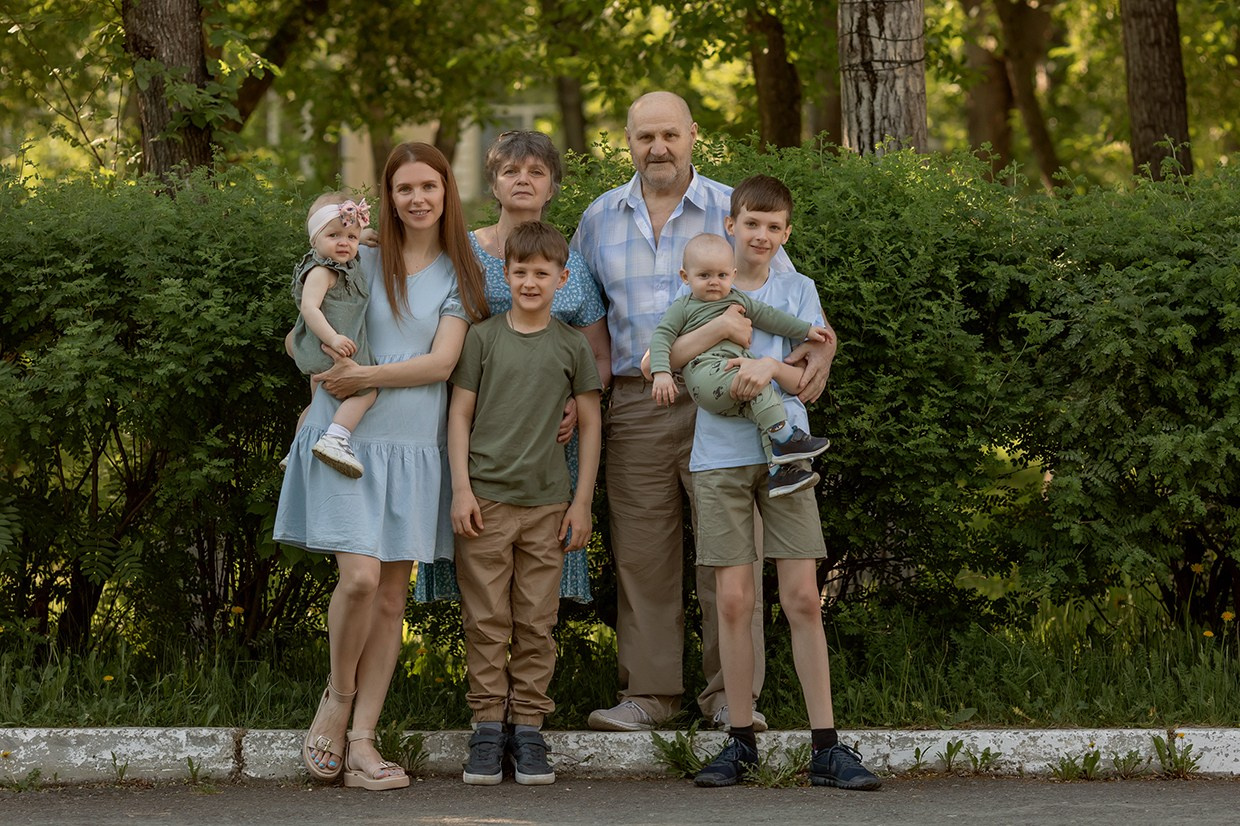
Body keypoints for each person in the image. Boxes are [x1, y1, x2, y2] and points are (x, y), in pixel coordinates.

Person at [570, 91, 835, 732]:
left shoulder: (733, 209)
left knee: (731, 561)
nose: (657, 148)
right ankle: (650, 696)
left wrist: (822, 350)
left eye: (669, 135)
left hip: (732, 405)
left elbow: (788, 298)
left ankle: (730, 702)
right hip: (640, 401)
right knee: (642, 551)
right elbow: (580, 319)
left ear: (692, 134)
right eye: (644, 137)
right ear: (627, 141)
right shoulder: (599, 218)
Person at [273, 142, 488, 790]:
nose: (417, 198)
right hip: (345, 440)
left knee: (392, 596)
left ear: (446, 193)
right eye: (404, 188)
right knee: (361, 580)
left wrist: (366, 374)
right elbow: (300, 329)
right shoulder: (357, 256)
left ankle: (364, 741)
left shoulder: (458, 272)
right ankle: (336, 702)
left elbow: (441, 364)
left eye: (429, 186)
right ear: (386, 199)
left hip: (415, 448)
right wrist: (317, 373)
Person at [678, 175, 879, 790]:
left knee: (801, 600)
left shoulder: (798, 289)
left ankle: (827, 747)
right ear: (732, 225)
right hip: (719, 460)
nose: (760, 235)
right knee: (734, 602)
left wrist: (768, 367)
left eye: (773, 227)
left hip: (787, 457)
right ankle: (740, 742)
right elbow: (670, 353)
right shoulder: (706, 281)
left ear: (785, 234)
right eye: (751, 224)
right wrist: (727, 341)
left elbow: (808, 376)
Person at [415, 129, 610, 604]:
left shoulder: (572, 268)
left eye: (536, 172)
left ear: (553, 186)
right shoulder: (457, 251)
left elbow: (600, 357)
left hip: (546, 444)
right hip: (473, 429)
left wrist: (574, 401)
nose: (523, 180)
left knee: (536, 590)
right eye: (510, 171)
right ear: (494, 184)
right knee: (481, 571)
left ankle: (530, 675)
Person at [450, 220, 602, 786]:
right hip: (486, 502)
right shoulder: (482, 338)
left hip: (547, 507)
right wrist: (461, 489)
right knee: (487, 619)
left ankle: (530, 728)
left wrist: (581, 502)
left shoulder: (570, 345)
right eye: (520, 272)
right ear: (505, 275)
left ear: (563, 279)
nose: (530, 281)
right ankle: (488, 728)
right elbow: (459, 414)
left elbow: (590, 423)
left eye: (542, 273)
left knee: (537, 620)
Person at [648, 233, 832, 498]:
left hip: (731, 377)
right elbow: (661, 337)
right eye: (704, 276)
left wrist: (807, 330)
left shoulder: (738, 299)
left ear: (732, 275)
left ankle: (779, 472)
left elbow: (771, 318)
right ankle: (786, 439)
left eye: (722, 276)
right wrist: (661, 372)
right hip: (707, 375)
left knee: (763, 406)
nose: (714, 282)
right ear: (685, 277)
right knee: (757, 383)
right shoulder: (684, 306)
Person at [287, 193, 376, 478]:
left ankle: (296, 451)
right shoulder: (321, 271)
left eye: (351, 237)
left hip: (329, 350)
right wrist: (333, 338)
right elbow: (310, 308)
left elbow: (347, 239)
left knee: (316, 406)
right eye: (334, 235)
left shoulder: (342, 261)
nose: (344, 243)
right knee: (368, 391)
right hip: (330, 348)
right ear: (315, 239)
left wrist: (361, 237)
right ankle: (337, 437)